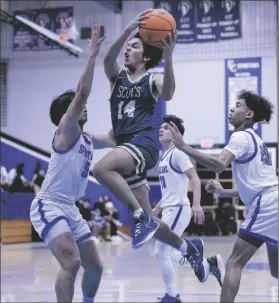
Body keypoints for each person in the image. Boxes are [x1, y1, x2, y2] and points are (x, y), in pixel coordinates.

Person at [92, 9, 221, 283]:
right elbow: (106, 59)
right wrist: (128, 31)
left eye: (134, 46)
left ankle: (139, 216)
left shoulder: (152, 78)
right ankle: (191, 250)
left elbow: (169, 93)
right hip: (126, 147)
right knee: (154, 226)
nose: (127, 50)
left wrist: (171, 57)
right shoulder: (117, 79)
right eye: (127, 47)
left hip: (144, 143)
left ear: (146, 56)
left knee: (101, 169)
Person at [29, 25, 114, 303]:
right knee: (71, 262)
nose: (83, 107)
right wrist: (92, 56)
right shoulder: (66, 132)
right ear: (66, 114)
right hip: (49, 203)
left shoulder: (87, 139)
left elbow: (115, 136)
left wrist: (121, 89)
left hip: (71, 208)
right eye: (75, 105)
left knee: (96, 267)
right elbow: (82, 95)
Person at [167, 90, 278, 302]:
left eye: (238, 105)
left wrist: (183, 147)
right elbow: (259, 185)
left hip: (266, 206)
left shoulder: (240, 136)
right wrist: (224, 192)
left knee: (234, 263)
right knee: (277, 271)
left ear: (249, 115)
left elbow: (219, 165)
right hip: (273, 200)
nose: (232, 108)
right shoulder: (257, 140)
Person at [153, 115, 224, 302]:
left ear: (177, 133)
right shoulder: (164, 157)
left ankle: (172, 296)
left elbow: (195, 178)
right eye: (161, 126)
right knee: (167, 253)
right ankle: (207, 263)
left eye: (167, 127)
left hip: (178, 209)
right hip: (169, 208)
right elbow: (168, 191)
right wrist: (157, 209)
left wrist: (197, 204)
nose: (162, 129)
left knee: (160, 252)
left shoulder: (178, 154)